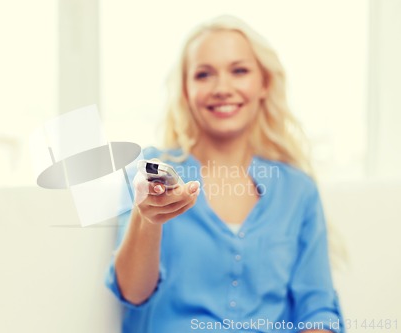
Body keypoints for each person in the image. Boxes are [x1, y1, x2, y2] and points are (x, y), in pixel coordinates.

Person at [105, 15, 345, 333]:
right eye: (204, 74)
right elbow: (133, 292)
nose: (222, 88)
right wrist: (148, 218)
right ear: (186, 91)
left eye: (239, 71)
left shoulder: (297, 190)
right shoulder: (153, 173)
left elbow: (317, 310)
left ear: (264, 84)